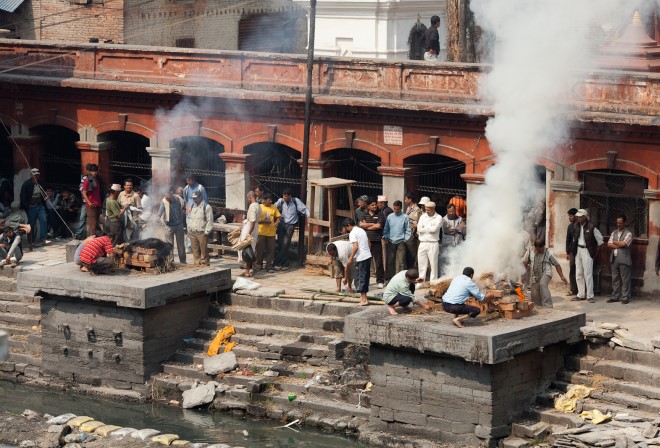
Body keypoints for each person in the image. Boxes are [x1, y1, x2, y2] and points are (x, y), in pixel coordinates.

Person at [522, 239, 568, 308]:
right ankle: (538, 308)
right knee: (534, 293)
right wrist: (523, 275)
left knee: (542, 284)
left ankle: (548, 306)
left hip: (546, 273)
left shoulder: (548, 253)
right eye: (539, 250)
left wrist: (562, 276)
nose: (541, 251)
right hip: (534, 275)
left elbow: (557, 264)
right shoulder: (530, 251)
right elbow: (525, 262)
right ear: (535, 247)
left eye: (542, 249)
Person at [571, 209, 604, 303]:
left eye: (580, 216)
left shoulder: (592, 226)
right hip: (578, 249)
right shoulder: (576, 225)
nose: (578, 218)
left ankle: (590, 295)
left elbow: (600, 240)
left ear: (585, 217)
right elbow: (574, 238)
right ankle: (580, 294)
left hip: (587, 250)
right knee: (578, 273)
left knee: (588, 274)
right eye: (577, 216)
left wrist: (594, 253)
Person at [274, 188, 309, 270]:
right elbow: (273, 208)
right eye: (284, 196)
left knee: (285, 244)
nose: (285, 198)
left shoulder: (295, 201)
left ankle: (279, 262)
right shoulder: (281, 201)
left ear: (290, 196)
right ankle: (283, 262)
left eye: (286, 196)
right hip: (281, 224)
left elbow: (305, 209)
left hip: (290, 225)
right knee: (280, 244)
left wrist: (309, 217)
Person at [344, 218, 372, 307]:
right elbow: (369, 243)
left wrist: (351, 258)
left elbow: (355, 246)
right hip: (367, 255)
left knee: (359, 278)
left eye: (346, 227)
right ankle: (364, 298)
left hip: (361, 257)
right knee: (365, 277)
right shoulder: (361, 230)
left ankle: (364, 299)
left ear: (348, 225)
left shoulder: (352, 233)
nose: (346, 229)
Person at [607, 214, 633, 305]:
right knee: (615, 279)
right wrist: (618, 244)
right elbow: (608, 244)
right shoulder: (614, 232)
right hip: (614, 259)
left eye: (620, 223)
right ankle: (615, 297)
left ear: (624, 223)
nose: (619, 225)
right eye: (617, 223)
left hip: (624, 259)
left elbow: (624, 244)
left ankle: (625, 297)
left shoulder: (628, 233)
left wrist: (614, 242)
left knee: (625, 279)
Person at [359, 198, 385, 288]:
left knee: (378, 262)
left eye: (375, 204)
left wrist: (367, 225)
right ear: (368, 206)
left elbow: (378, 226)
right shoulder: (364, 215)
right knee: (366, 262)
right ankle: (366, 281)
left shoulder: (380, 214)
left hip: (376, 241)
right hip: (366, 242)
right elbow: (361, 225)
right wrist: (372, 224)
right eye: (372, 205)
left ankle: (380, 281)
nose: (375, 206)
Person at [20, 168, 49, 246]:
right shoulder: (26, 184)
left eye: (37, 175)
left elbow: (44, 193)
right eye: (35, 175)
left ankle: (43, 239)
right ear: (31, 175)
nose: (36, 176)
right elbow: (23, 196)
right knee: (31, 224)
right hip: (31, 207)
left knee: (43, 221)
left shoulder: (40, 183)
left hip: (40, 206)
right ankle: (31, 241)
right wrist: (26, 205)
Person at [383, 200, 411, 280]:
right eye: (394, 209)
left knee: (401, 261)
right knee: (390, 261)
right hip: (391, 241)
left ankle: (400, 278)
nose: (396, 210)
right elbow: (386, 228)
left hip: (401, 241)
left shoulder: (405, 217)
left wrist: (405, 239)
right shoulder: (390, 216)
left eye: (397, 209)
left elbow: (408, 229)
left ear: (401, 208)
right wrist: (386, 236)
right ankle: (391, 278)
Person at [158, 189, 186, 264]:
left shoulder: (179, 199)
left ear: (172, 194)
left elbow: (184, 208)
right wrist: (157, 219)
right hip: (169, 226)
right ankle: (170, 262)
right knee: (169, 245)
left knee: (181, 245)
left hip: (179, 225)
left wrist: (182, 214)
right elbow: (159, 213)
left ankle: (183, 261)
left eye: (168, 195)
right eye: (165, 195)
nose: (166, 197)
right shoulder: (164, 201)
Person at [186, 190, 213, 266]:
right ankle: (197, 264)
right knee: (195, 251)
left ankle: (204, 265)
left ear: (200, 197)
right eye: (193, 198)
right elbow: (189, 218)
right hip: (192, 232)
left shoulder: (206, 207)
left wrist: (206, 232)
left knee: (203, 251)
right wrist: (189, 229)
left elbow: (210, 221)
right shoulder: (192, 206)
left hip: (202, 232)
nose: (194, 200)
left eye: (196, 198)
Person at [417, 201, 442, 282]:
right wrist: (428, 229)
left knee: (433, 264)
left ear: (433, 209)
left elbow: (434, 230)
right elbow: (419, 229)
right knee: (421, 264)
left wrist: (424, 228)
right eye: (426, 209)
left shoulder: (438, 217)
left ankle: (433, 282)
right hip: (423, 242)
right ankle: (421, 282)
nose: (426, 211)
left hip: (433, 243)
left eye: (428, 210)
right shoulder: (422, 216)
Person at [256, 193, 280, 273]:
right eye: (269, 200)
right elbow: (255, 220)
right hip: (261, 232)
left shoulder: (274, 207)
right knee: (259, 250)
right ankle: (258, 264)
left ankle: (269, 266)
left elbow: (279, 217)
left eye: (271, 200)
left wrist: (277, 222)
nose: (270, 201)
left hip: (271, 233)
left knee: (270, 250)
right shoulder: (259, 207)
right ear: (264, 200)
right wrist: (263, 221)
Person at [239, 191, 261, 277]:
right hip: (255, 228)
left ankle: (248, 269)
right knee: (251, 249)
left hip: (250, 228)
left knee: (245, 249)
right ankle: (250, 267)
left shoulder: (252, 206)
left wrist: (248, 233)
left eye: (248, 198)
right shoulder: (258, 205)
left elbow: (252, 221)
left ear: (250, 197)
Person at [440, 203, 465, 274]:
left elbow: (462, 229)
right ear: (447, 211)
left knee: (457, 261)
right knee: (446, 261)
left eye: (453, 211)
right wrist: (457, 228)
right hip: (447, 245)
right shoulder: (443, 219)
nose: (451, 213)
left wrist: (457, 228)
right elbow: (447, 230)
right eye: (449, 211)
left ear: (455, 210)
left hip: (458, 244)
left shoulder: (459, 219)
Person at [81, 164, 102, 240]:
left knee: (95, 224)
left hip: (98, 204)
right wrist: (89, 203)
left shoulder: (96, 179)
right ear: (89, 171)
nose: (94, 173)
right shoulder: (87, 180)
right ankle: (91, 241)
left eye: (95, 171)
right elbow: (83, 192)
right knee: (92, 225)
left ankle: (95, 240)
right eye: (92, 171)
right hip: (91, 205)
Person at [404, 193, 423, 269]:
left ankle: (413, 270)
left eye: (406, 199)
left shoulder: (417, 210)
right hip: (407, 233)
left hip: (412, 235)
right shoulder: (408, 208)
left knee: (412, 254)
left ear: (410, 199)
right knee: (408, 254)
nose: (405, 201)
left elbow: (418, 223)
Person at [565, 208, 579, 297]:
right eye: (569, 216)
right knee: (572, 270)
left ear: (575, 216)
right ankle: (573, 289)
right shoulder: (570, 226)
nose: (569, 218)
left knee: (580, 271)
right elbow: (568, 240)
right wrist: (567, 252)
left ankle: (581, 290)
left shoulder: (581, 225)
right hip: (572, 252)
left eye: (570, 216)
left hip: (581, 250)